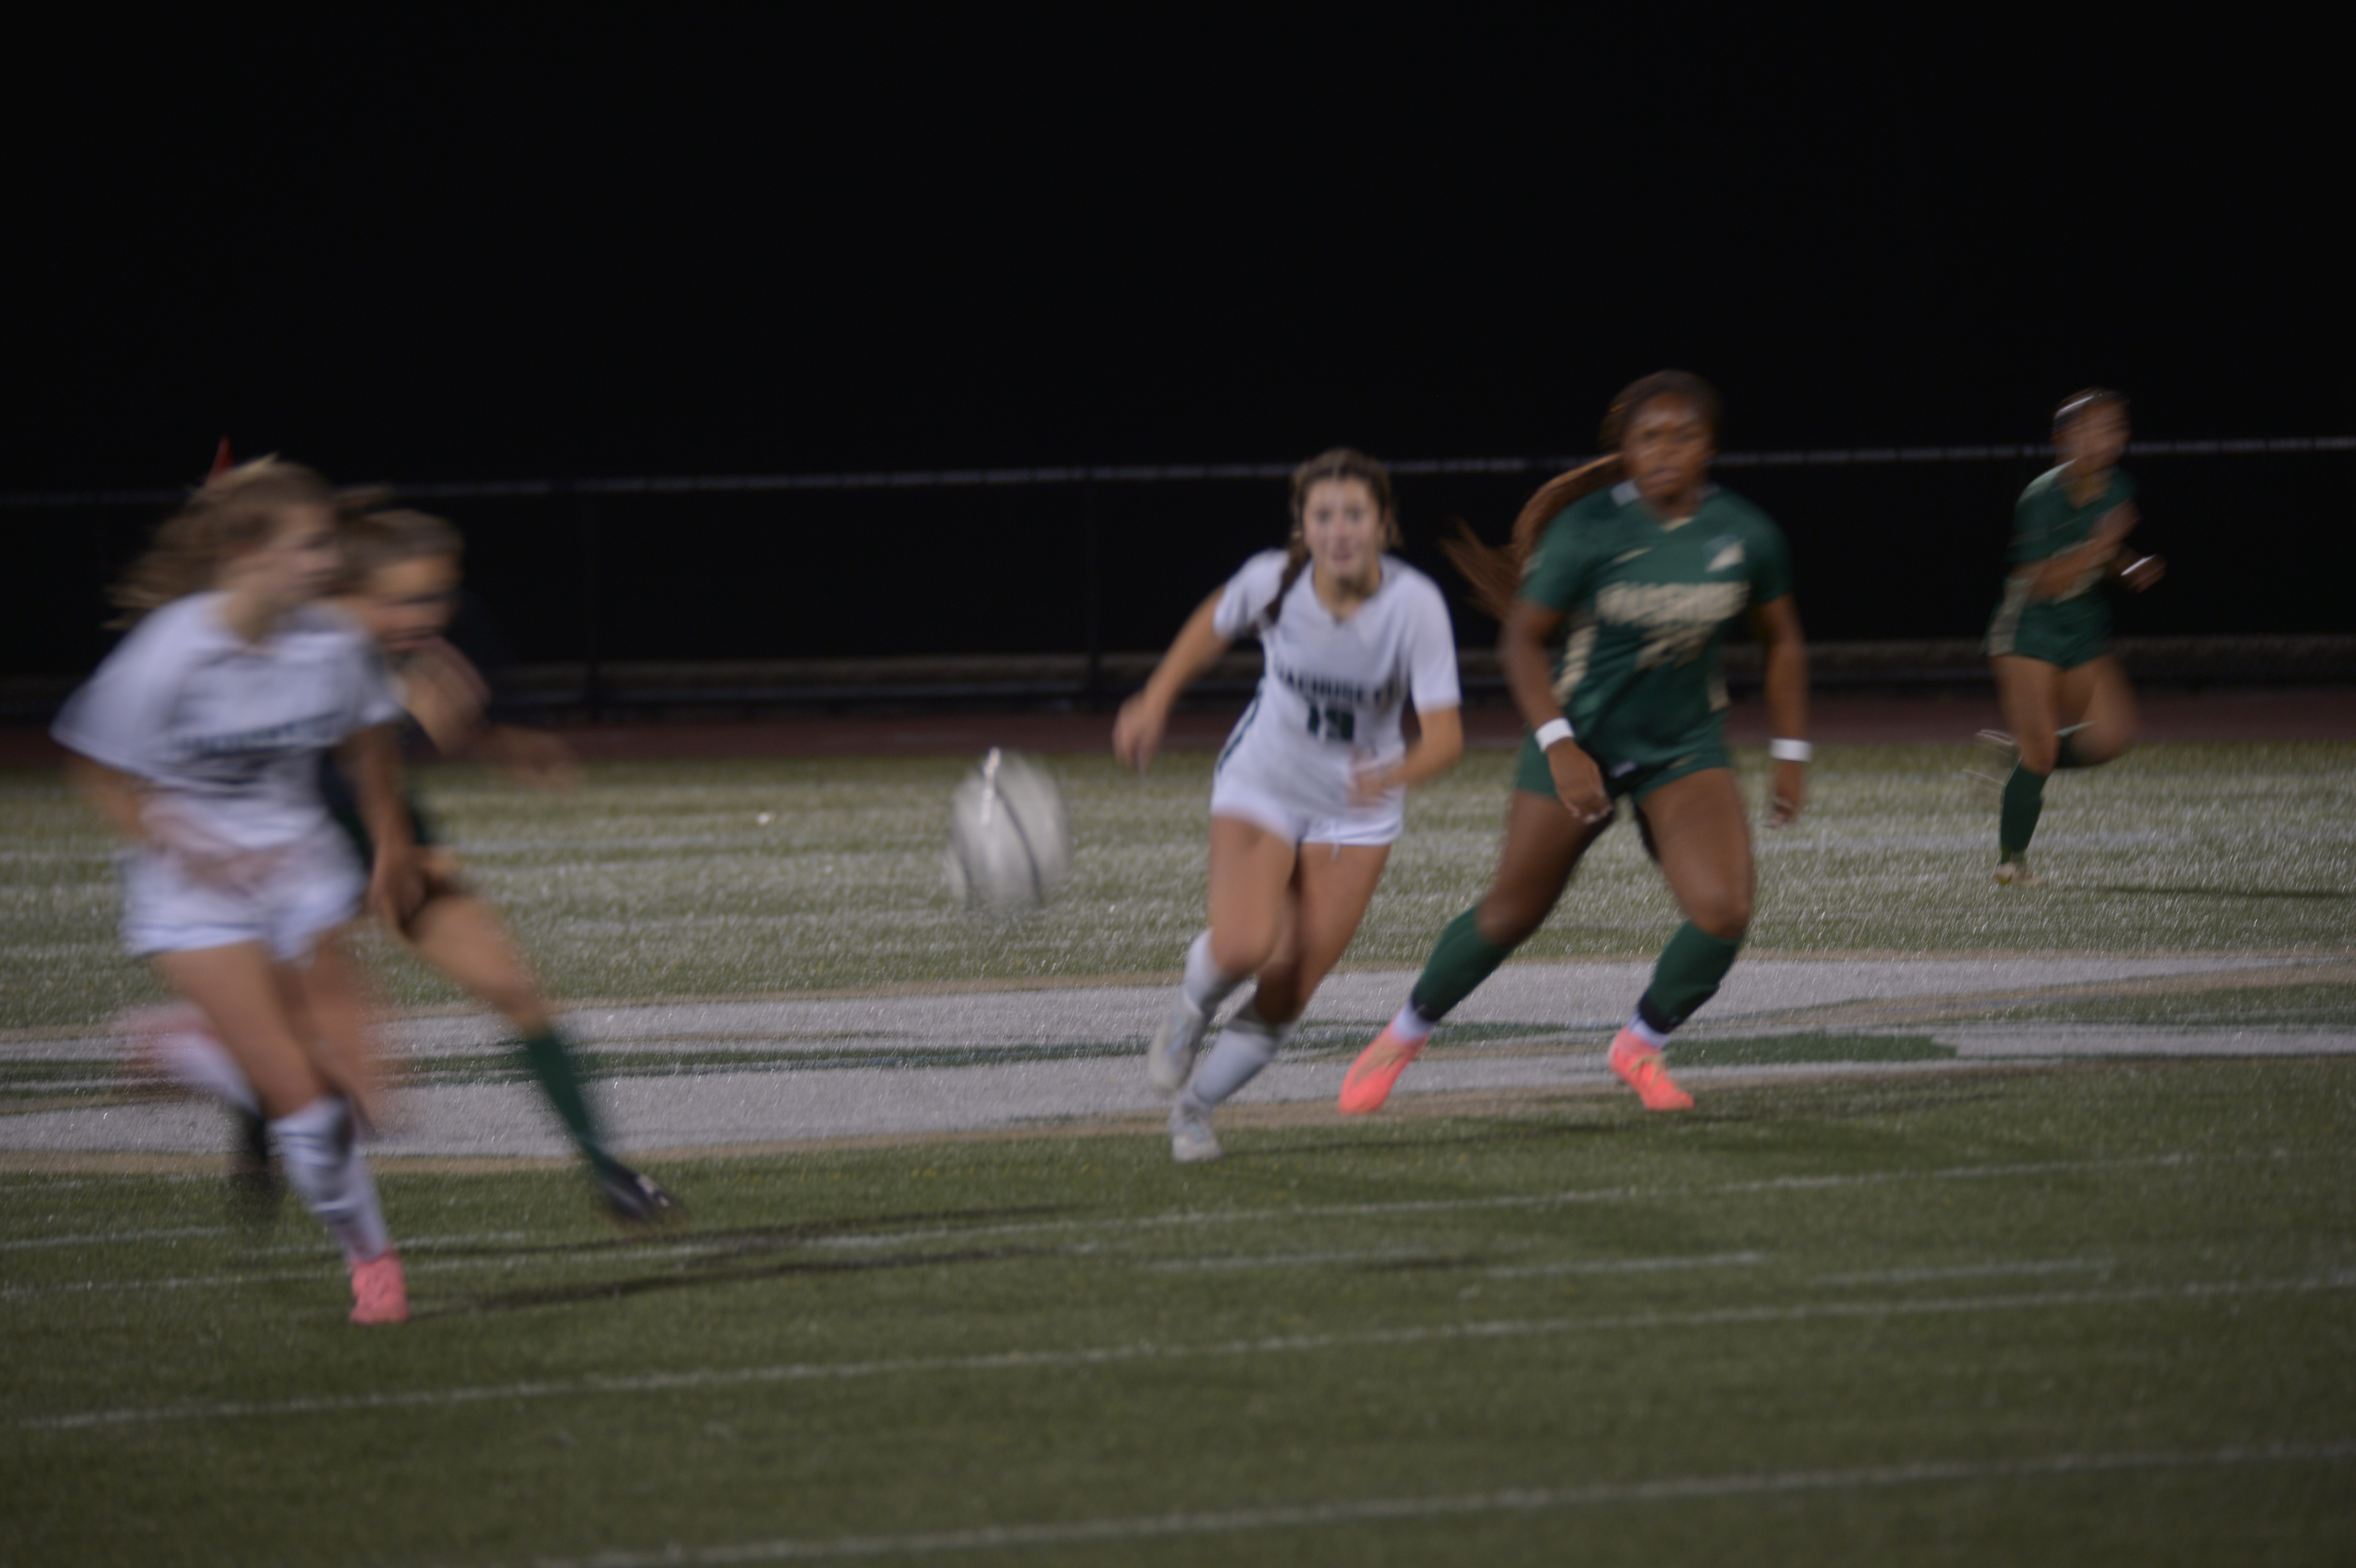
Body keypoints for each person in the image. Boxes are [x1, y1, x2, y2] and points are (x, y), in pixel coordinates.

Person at [141, 505, 677, 1225]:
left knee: (513, 989)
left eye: (435, 596)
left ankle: (611, 1175)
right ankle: (236, 1083)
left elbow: (441, 729)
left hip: (386, 832)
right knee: (368, 1095)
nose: (423, 617)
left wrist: (496, 749)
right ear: (341, 592)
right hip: (287, 855)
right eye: (398, 601)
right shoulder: (286, 649)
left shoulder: (431, 638)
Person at [1338, 371, 1810, 1117]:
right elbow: (1521, 643)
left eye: (1683, 435)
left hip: (1683, 748)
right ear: (1624, 450)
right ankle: (1403, 1035)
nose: (1664, 450)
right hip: (1579, 737)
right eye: (1647, 437)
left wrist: (1792, 752)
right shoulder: (1588, 528)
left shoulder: (1747, 532)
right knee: (1511, 915)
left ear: (1710, 447)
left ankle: (1641, 1045)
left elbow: (1781, 639)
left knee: (1724, 911)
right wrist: (1560, 745)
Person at [57, 459, 421, 1325]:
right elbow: (97, 772)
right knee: (311, 1107)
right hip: (196, 894)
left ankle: (191, 1052)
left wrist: (391, 843)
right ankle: (373, 1263)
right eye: (311, 546)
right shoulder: (170, 651)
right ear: (244, 553)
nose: (328, 562)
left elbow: (369, 743)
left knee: (371, 1102)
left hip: (302, 874)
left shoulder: (332, 644)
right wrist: (184, 843)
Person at [1114, 448, 1463, 1162]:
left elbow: (1447, 737)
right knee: (1243, 945)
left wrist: (1392, 772)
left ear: (1384, 524)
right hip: (1265, 780)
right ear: (1304, 526)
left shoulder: (1415, 606)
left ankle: (1195, 1108)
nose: (1339, 530)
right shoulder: (1274, 580)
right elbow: (1216, 620)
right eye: (1323, 515)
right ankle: (1191, 1009)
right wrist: (1156, 696)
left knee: (1290, 984)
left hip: (1356, 809)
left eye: (1354, 514)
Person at [1982, 390, 2164, 886]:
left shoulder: (2118, 486)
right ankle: (2011, 861)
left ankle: (2020, 758)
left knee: (2110, 738)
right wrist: (2104, 543)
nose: (2105, 438)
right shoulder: (2040, 498)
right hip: (2028, 629)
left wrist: (2127, 564)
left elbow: (2101, 551)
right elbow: (2042, 581)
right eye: (2092, 428)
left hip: (2082, 626)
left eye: (2114, 427)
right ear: (2063, 439)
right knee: (2042, 752)